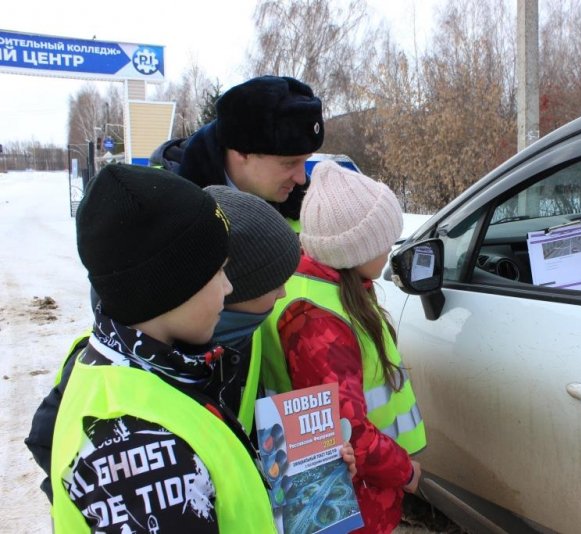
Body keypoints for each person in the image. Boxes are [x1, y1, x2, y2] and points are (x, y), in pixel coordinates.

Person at [26, 185, 357, 504]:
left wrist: (317, 466)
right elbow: (48, 444)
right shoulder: (109, 364)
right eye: (273, 283)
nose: (283, 294)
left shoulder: (243, 339)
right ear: (230, 293)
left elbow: (251, 441)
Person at [49, 163, 278, 532]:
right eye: (217, 271)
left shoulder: (143, 367)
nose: (228, 287)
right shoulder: (137, 452)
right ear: (172, 287)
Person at [262, 160, 427, 534]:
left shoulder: (325, 289)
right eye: (382, 239)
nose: (389, 247)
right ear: (354, 249)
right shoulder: (320, 323)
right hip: (346, 504)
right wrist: (405, 472)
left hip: (359, 492)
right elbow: (345, 428)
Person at [151, 75, 324, 231]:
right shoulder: (160, 203)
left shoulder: (306, 205)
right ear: (242, 151)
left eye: (305, 161)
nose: (302, 179)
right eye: (289, 163)